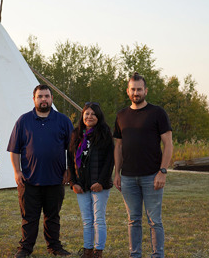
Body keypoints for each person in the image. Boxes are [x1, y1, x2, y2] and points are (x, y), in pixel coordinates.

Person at [7, 84, 74, 258]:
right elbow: (14, 149)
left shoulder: (63, 121)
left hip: (55, 179)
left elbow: (73, 149)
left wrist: (69, 169)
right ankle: (25, 249)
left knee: (52, 217)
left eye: (46, 96)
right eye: (40, 96)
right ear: (34, 99)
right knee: (29, 218)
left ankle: (55, 247)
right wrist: (17, 171)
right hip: (29, 179)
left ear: (52, 98)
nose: (43, 99)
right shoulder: (23, 121)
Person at [113, 72, 173, 258]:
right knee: (133, 220)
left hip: (151, 176)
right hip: (128, 177)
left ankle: (157, 255)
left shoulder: (157, 113)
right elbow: (119, 146)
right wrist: (117, 173)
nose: (136, 92)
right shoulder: (121, 115)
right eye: (133, 89)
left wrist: (162, 171)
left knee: (154, 220)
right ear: (128, 91)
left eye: (139, 89)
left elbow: (168, 144)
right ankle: (135, 254)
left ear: (145, 90)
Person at [68, 102, 114, 258]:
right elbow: (70, 159)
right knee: (87, 220)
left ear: (98, 116)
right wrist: (73, 182)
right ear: (82, 116)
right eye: (87, 113)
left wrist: (101, 181)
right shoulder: (76, 134)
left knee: (98, 218)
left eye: (93, 114)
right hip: (81, 184)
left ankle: (98, 251)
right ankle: (87, 251)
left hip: (98, 184)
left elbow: (109, 160)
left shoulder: (105, 134)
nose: (90, 117)